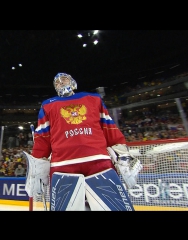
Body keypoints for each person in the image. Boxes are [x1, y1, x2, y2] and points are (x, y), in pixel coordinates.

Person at [26, 73, 142, 211]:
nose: (60, 83)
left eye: (63, 79)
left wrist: (123, 156)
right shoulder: (47, 106)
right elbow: (42, 140)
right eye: (57, 83)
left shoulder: (93, 99)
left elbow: (109, 129)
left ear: (73, 82)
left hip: (98, 161)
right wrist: (37, 168)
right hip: (63, 164)